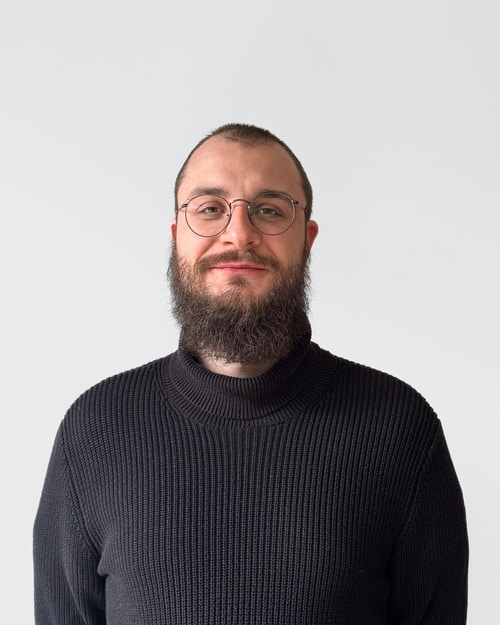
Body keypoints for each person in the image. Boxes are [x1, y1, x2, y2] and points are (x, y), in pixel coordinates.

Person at [33, 123, 468, 624]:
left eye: (269, 210)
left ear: (307, 239)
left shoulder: (400, 430)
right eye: (209, 208)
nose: (238, 233)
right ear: (176, 237)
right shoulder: (93, 433)